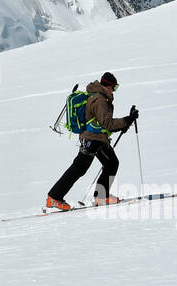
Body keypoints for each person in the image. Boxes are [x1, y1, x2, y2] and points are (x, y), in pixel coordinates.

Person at [45, 72, 138, 211]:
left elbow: (101, 123)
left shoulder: (96, 96)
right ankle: (56, 197)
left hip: (95, 138)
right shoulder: (100, 100)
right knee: (86, 167)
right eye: (115, 87)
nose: (114, 90)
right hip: (94, 139)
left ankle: (98, 196)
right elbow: (107, 123)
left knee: (104, 164)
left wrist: (124, 124)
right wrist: (127, 120)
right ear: (108, 86)